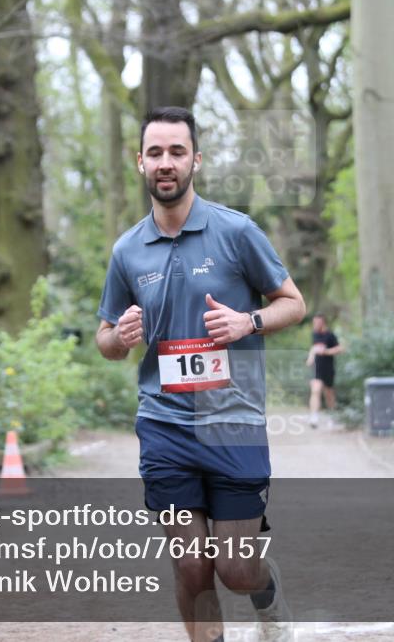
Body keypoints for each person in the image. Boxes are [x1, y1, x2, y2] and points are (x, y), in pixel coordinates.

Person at [96, 106, 306, 642]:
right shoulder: (126, 250)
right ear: (139, 162)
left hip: (232, 422)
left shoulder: (236, 232)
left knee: (236, 571)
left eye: (177, 152)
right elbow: (105, 340)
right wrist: (119, 337)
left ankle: (268, 593)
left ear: (196, 160)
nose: (166, 163)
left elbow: (293, 303)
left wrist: (247, 322)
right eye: (156, 153)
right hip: (163, 424)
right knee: (191, 566)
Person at [305, 313, 343, 428]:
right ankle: (314, 418)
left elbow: (339, 348)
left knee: (329, 394)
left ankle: (332, 416)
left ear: (323, 323)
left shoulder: (330, 335)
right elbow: (314, 347)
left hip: (328, 368)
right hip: (317, 368)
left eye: (317, 323)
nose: (315, 325)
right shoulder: (314, 334)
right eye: (314, 322)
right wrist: (310, 357)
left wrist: (326, 352)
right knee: (315, 390)